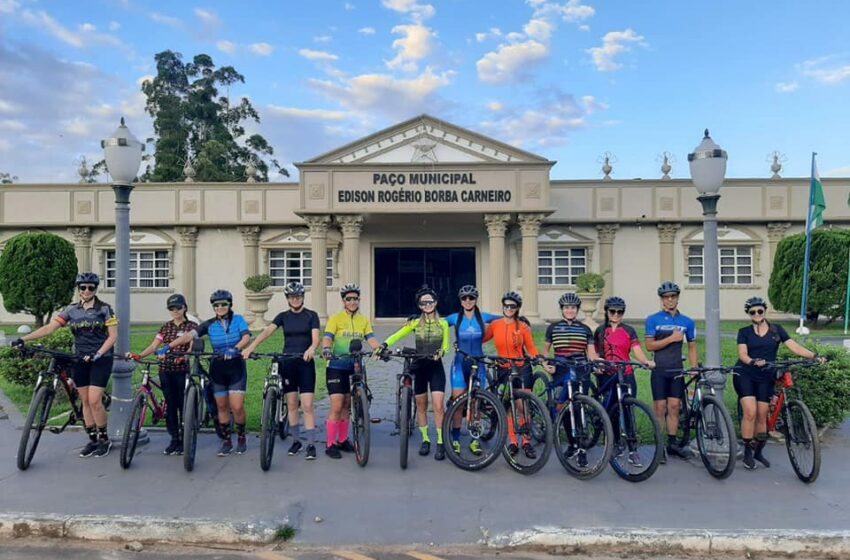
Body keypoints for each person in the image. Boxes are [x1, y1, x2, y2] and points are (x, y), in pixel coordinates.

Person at [12, 272, 118, 458]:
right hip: (79, 359)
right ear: (78, 289)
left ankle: (104, 439)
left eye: (90, 287)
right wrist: (22, 338)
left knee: (94, 400)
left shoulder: (105, 309)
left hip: (101, 358)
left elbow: (113, 336)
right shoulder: (71, 310)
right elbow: (50, 328)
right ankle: (92, 440)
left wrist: (98, 354)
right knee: (84, 401)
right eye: (83, 287)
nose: (86, 290)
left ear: (95, 289)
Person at [735, 297, 824, 470]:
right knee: (751, 412)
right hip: (746, 374)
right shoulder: (744, 331)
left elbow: (794, 347)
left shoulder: (777, 330)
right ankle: (747, 450)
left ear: (764, 311)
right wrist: (753, 361)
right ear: (748, 314)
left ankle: (758, 451)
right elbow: (742, 354)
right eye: (752, 312)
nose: (757, 314)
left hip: (766, 376)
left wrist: (814, 356)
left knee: (762, 415)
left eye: (760, 311)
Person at [160, 289, 251, 457]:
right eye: (217, 305)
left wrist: (236, 348)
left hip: (236, 366)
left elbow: (246, 337)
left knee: (237, 407)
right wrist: (169, 346)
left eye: (224, 304)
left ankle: (241, 436)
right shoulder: (209, 324)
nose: (220, 307)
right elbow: (188, 336)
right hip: (217, 367)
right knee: (221, 406)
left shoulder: (238, 320)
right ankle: (226, 441)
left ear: (229, 304)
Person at [243, 281, 320, 461]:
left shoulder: (311, 315)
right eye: (292, 297)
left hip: (305, 363)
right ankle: (296, 441)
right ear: (287, 299)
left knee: (307, 405)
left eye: (298, 296)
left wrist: (311, 348)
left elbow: (316, 337)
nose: (295, 299)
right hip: (288, 363)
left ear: (302, 297)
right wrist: (251, 347)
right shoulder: (283, 316)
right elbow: (267, 332)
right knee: (292, 404)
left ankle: (310, 444)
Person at [382, 286, 451, 460]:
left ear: (435, 303)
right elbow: (398, 335)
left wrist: (441, 353)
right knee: (421, 405)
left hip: (436, 367)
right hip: (419, 366)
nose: (427, 304)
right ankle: (426, 439)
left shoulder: (442, 323)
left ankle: (441, 442)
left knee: (437, 405)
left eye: (430, 301)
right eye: (423, 302)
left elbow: (446, 346)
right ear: (419, 305)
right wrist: (384, 345)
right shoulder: (415, 323)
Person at [128, 294, 198, 455]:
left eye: (178, 308)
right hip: (165, 369)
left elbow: (191, 348)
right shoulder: (166, 327)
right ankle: (174, 439)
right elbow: (154, 346)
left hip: (181, 370)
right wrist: (140, 355)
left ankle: (183, 438)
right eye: (171, 309)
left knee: (182, 404)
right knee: (170, 405)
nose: (175, 311)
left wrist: (183, 357)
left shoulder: (191, 326)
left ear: (184, 308)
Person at [321, 283, 383, 459]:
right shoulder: (336, 318)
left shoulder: (363, 320)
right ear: (343, 301)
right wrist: (326, 349)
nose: (352, 301)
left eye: (355, 298)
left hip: (355, 365)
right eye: (349, 299)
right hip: (336, 366)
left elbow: (371, 339)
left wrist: (380, 349)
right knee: (337, 403)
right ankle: (330, 444)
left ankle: (343, 439)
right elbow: (328, 337)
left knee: (348, 404)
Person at [593, 296, 655, 466]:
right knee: (612, 410)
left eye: (620, 312)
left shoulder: (628, 330)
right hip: (608, 374)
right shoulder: (600, 331)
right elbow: (596, 353)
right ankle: (615, 444)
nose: (616, 315)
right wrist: (597, 365)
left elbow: (636, 350)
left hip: (626, 373)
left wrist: (646, 362)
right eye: (612, 311)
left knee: (627, 410)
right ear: (606, 312)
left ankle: (633, 449)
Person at [483, 291, 541, 459]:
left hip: (522, 367)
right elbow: (481, 338)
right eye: (506, 305)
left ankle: (527, 442)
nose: (509, 308)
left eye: (512, 306)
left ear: (517, 309)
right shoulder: (495, 324)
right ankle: (513, 442)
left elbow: (531, 347)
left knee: (522, 405)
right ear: (503, 307)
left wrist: (537, 357)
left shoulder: (522, 327)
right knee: (510, 406)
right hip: (504, 367)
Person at [645, 281, 698, 462]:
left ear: (677, 298)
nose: (669, 300)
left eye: (673, 297)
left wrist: (694, 367)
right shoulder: (653, 319)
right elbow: (650, 345)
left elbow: (692, 347)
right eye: (666, 297)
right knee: (660, 408)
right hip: (660, 369)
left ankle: (672, 444)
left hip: (677, 370)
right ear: (661, 299)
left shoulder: (687, 322)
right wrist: (672, 338)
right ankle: (659, 446)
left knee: (674, 407)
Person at [445, 285, 499, 455]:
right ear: (460, 301)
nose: (468, 301)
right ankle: (455, 438)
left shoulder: (484, 317)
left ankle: (475, 439)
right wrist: (416, 319)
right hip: (461, 363)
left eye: (471, 298)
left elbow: (505, 317)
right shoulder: (454, 318)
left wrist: (522, 319)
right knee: (458, 401)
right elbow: (433, 321)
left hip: (479, 363)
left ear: (476, 300)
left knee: (476, 402)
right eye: (464, 298)